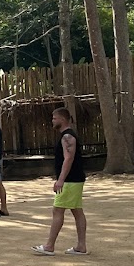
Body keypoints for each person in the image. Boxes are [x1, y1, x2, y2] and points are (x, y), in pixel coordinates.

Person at [33, 108, 88, 256]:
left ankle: (50, 246)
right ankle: (81, 246)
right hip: (75, 179)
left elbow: (68, 158)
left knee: (58, 210)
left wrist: (61, 180)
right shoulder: (67, 136)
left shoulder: (67, 137)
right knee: (77, 211)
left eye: (54, 118)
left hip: (70, 180)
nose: (52, 121)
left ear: (62, 119)